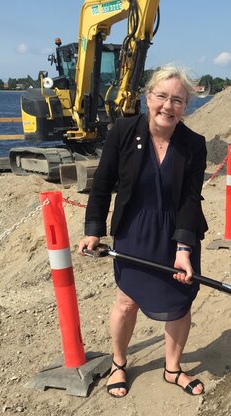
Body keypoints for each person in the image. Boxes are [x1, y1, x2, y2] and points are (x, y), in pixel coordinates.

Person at [77, 65, 208, 398]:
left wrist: (183, 250)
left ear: (186, 106)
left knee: (181, 302)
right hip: (134, 229)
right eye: (161, 96)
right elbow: (103, 183)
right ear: (148, 97)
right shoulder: (123, 130)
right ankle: (119, 363)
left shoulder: (194, 144)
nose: (167, 106)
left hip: (177, 232)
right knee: (126, 301)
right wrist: (94, 229)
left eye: (177, 100)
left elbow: (191, 200)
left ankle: (172, 368)